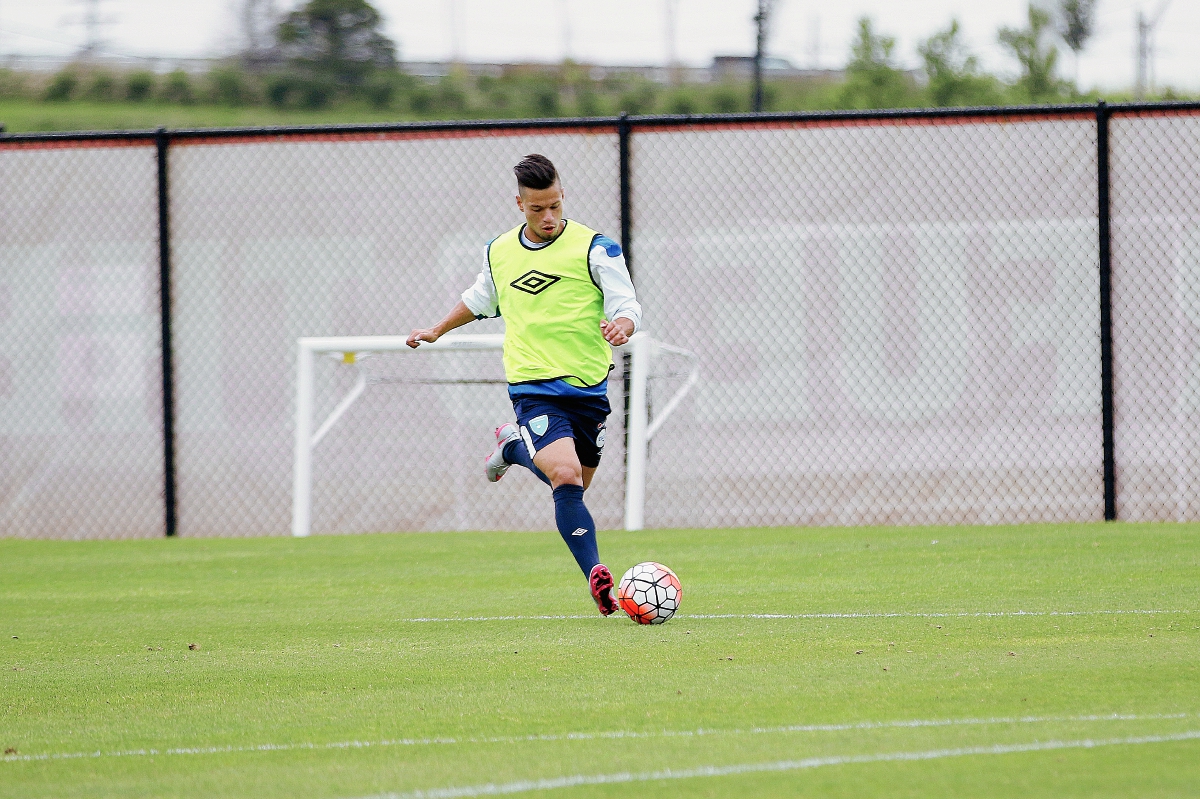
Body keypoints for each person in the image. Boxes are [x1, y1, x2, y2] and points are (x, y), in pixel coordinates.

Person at [406, 154, 642, 616]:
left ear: (562, 196)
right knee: (566, 474)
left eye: (554, 205)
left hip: (589, 386)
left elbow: (626, 302)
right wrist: (436, 329)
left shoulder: (596, 247)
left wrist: (624, 326)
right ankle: (597, 577)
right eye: (537, 209)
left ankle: (513, 449)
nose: (549, 217)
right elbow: (479, 300)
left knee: (574, 485)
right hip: (532, 384)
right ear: (519, 204)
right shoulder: (499, 251)